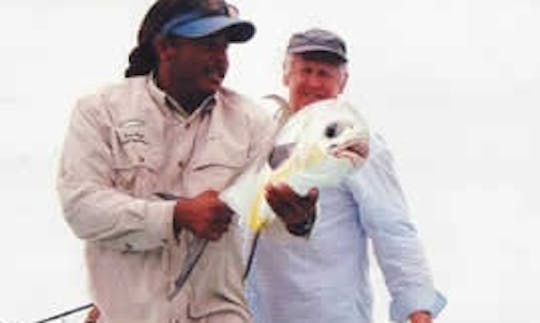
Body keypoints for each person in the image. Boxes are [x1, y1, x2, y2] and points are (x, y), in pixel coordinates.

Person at [57, 1, 316, 322]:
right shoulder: (100, 111)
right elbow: (81, 208)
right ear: (166, 47)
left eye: (225, 49)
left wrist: (298, 218)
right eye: (208, 46)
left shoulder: (254, 123)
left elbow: (268, 223)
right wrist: (175, 216)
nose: (220, 60)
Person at [248, 28, 447, 323]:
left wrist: (417, 309)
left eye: (325, 73)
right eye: (306, 70)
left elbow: (392, 229)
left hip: (329, 312)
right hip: (253, 312)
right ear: (286, 74)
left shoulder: (357, 143)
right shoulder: (256, 135)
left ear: (343, 82)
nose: (313, 82)